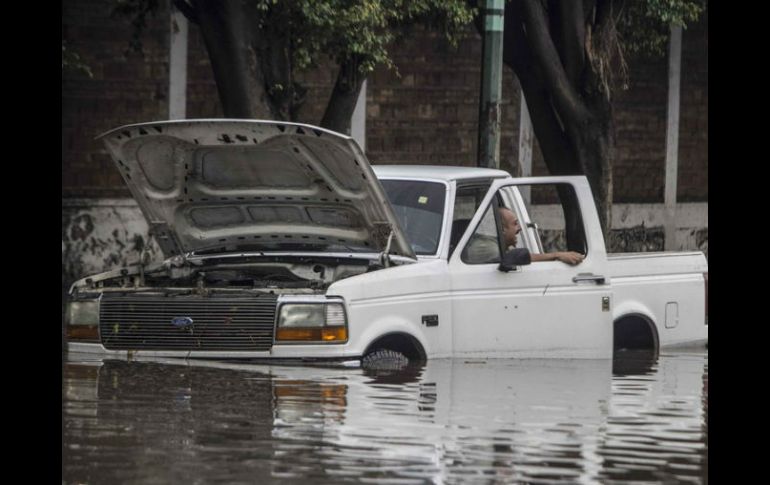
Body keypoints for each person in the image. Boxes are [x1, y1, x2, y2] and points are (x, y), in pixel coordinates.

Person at [498, 207, 584, 265]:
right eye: (515, 224)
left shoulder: (500, 248)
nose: (520, 228)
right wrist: (557, 255)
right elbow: (517, 257)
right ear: (502, 229)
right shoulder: (491, 250)